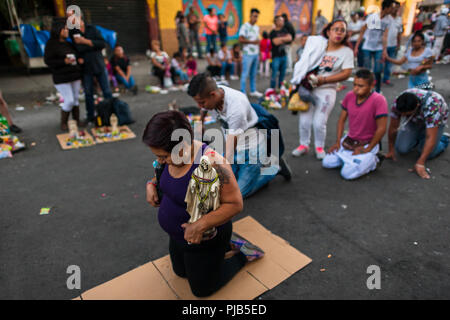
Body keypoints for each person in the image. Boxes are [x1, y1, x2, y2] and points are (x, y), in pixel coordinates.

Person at [143, 110, 265, 298]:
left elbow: (235, 203)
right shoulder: (172, 157)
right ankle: (224, 248)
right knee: (180, 272)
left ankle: (243, 253)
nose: (160, 161)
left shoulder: (213, 163)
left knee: (202, 290)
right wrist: (152, 183)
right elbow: (162, 175)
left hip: (205, 238)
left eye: (163, 156)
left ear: (182, 147)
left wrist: (200, 225)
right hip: (179, 236)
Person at [188, 73, 292, 198]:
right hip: (236, 147)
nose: (200, 106)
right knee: (223, 183)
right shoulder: (214, 93)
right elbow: (203, 110)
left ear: (213, 95)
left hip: (251, 151)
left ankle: (274, 169)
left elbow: (230, 151)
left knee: (236, 194)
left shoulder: (236, 108)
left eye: (202, 102)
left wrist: (221, 169)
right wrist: (201, 123)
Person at [291, 19, 354, 160]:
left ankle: (319, 147)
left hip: (327, 90)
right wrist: (299, 77)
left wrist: (323, 80)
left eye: (342, 30)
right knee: (304, 120)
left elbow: (346, 73)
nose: (339, 33)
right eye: (336, 29)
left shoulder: (346, 52)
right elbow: (304, 61)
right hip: (308, 88)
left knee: (319, 122)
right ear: (328, 31)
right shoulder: (318, 46)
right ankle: (303, 145)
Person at [323, 69, 388, 180]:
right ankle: (351, 161)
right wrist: (338, 142)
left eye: (361, 86)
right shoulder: (350, 96)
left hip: (367, 143)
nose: (356, 89)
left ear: (371, 85)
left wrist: (368, 149)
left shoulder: (379, 100)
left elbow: (382, 128)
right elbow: (341, 120)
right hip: (349, 140)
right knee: (327, 163)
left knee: (347, 174)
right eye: (354, 85)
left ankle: (374, 160)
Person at [386, 88, 449, 180]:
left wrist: (420, 163)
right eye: (401, 114)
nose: (403, 116)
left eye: (406, 114)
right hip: (414, 121)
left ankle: (444, 140)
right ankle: (418, 137)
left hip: (435, 122)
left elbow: (430, 137)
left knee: (427, 153)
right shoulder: (398, 103)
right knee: (401, 149)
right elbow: (393, 127)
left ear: (417, 106)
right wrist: (391, 149)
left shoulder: (433, 106)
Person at [68, 14, 112, 124]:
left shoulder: (92, 29)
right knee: (88, 93)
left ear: (80, 19)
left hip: (98, 63)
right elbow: (77, 48)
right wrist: (88, 47)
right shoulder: (73, 33)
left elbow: (101, 44)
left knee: (106, 91)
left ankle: (111, 112)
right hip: (86, 67)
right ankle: (90, 116)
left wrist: (86, 42)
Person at [44, 18, 83, 130]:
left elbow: (77, 54)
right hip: (61, 77)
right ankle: (63, 122)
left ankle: (77, 120)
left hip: (74, 75)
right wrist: (63, 62)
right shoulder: (51, 44)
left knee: (75, 99)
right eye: (64, 29)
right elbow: (48, 61)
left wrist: (78, 60)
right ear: (58, 30)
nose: (67, 31)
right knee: (69, 100)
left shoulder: (68, 43)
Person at [355, 0, 396, 93]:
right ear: (386, 7)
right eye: (391, 7)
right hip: (367, 47)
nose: (393, 9)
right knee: (367, 70)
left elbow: (385, 36)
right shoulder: (372, 17)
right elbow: (362, 31)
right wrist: (356, 46)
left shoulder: (389, 20)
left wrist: (384, 50)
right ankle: (364, 89)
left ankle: (377, 90)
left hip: (379, 47)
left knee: (378, 70)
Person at [239, 8, 263, 97]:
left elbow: (257, 41)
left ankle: (253, 91)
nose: (256, 18)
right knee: (245, 73)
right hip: (247, 54)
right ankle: (242, 92)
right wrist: (252, 42)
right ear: (250, 16)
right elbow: (240, 39)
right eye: (254, 16)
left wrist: (259, 53)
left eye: (257, 16)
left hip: (255, 54)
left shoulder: (256, 27)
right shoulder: (244, 26)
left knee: (253, 74)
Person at [269, 16, 292, 89]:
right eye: (281, 20)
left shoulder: (285, 30)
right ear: (276, 22)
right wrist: (284, 39)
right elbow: (275, 42)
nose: (283, 22)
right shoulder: (272, 32)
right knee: (274, 74)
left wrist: (280, 39)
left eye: (283, 20)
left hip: (284, 56)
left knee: (282, 74)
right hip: (276, 57)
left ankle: (280, 88)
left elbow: (290, 38)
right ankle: (272, 88)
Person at [383, 1, 403, 86]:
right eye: (393, 7)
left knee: (389, 64)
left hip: (393, 44)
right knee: (380, 63)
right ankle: (376, 79)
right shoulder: (385, 18)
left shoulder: (399, 19)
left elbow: (399, 33)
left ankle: (386, 78)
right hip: (383, 45)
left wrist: (398, 44)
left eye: (396, 7)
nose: (394, 9)